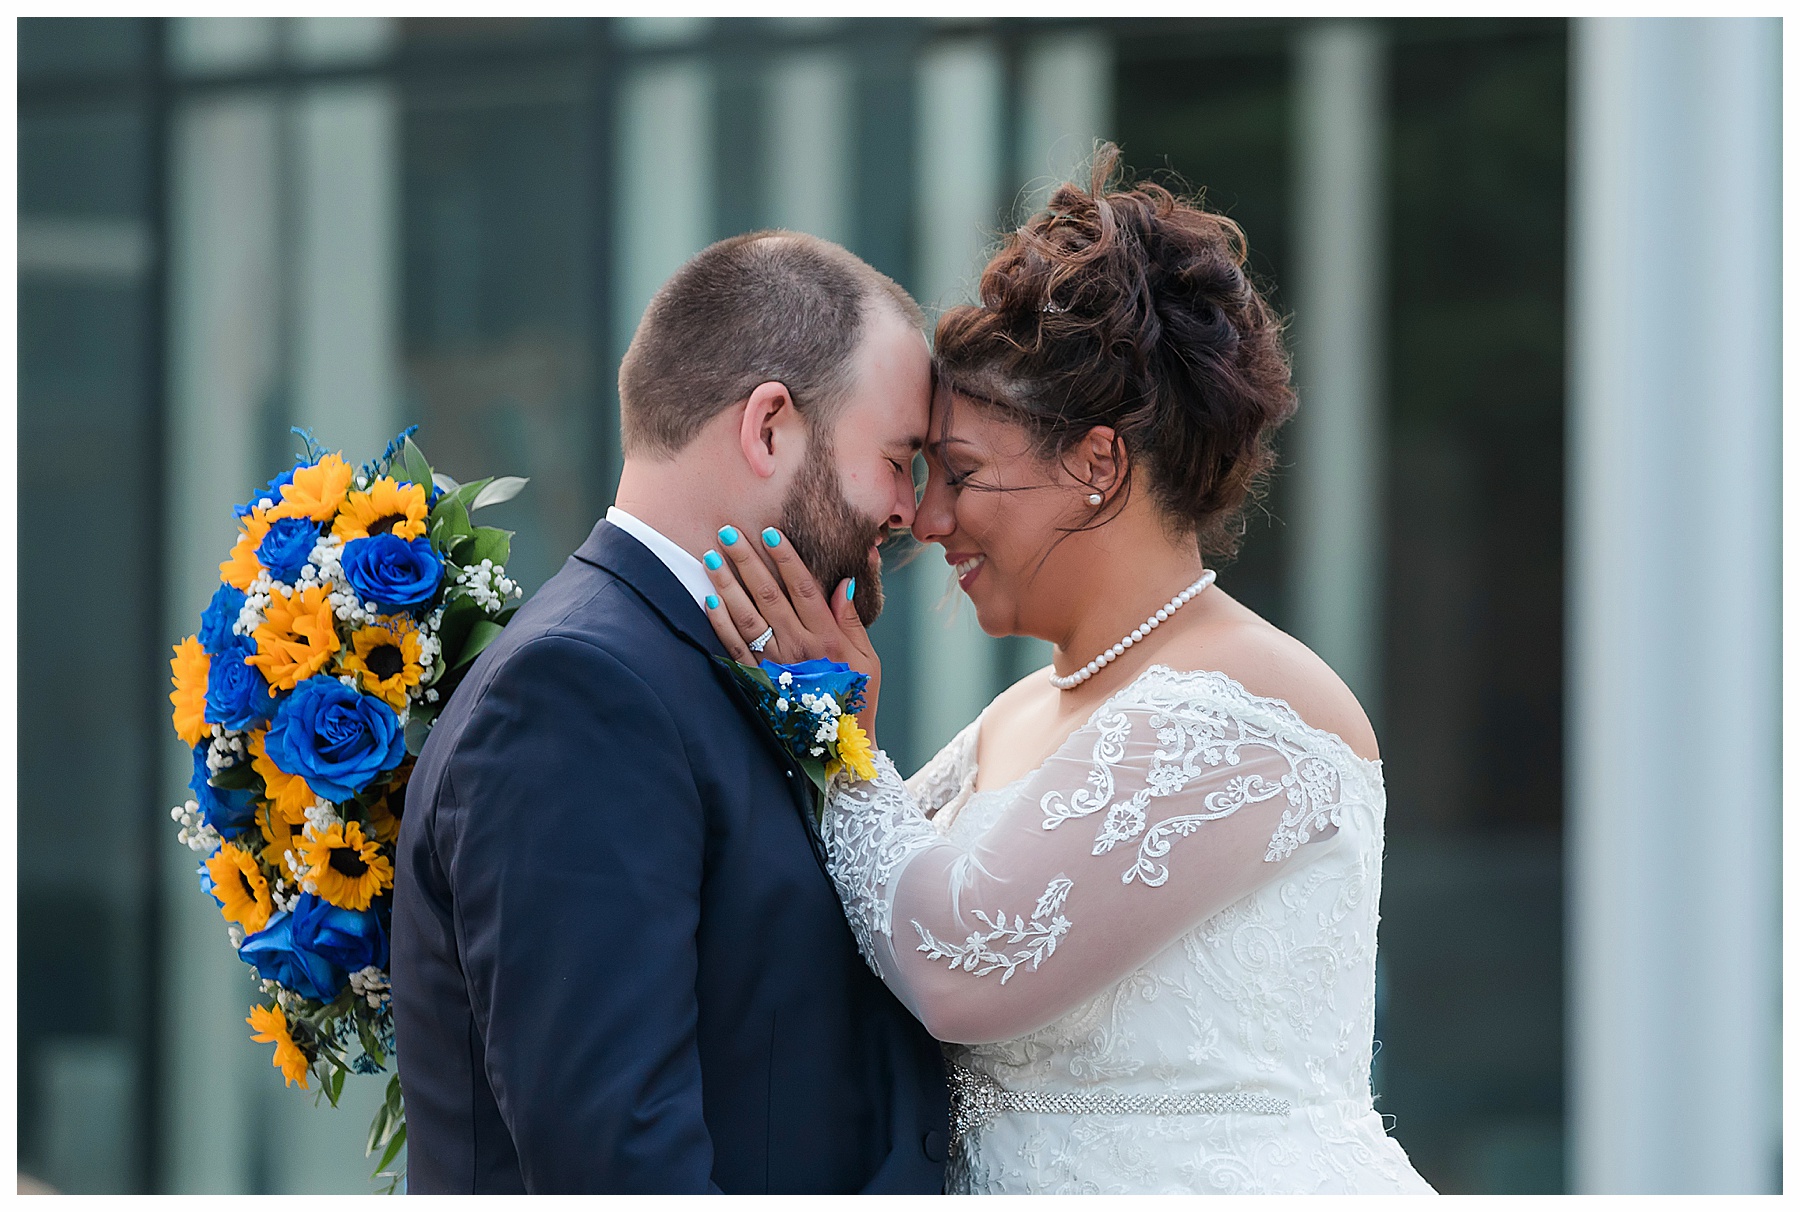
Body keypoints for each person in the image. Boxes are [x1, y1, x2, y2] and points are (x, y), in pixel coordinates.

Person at [701, 147, 1436, 1194]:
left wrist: (838, 746)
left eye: (959, 475)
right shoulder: (1019, 714)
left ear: (1098, 466)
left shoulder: (1252, 703)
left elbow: (962, 965)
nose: (927, 519)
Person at [390, 232, 950, 1193]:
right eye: (899, 460)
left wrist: (843, 747)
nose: (909, 512)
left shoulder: (708, 667)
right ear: (769, 425)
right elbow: (622, 1164)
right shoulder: (576, 692)